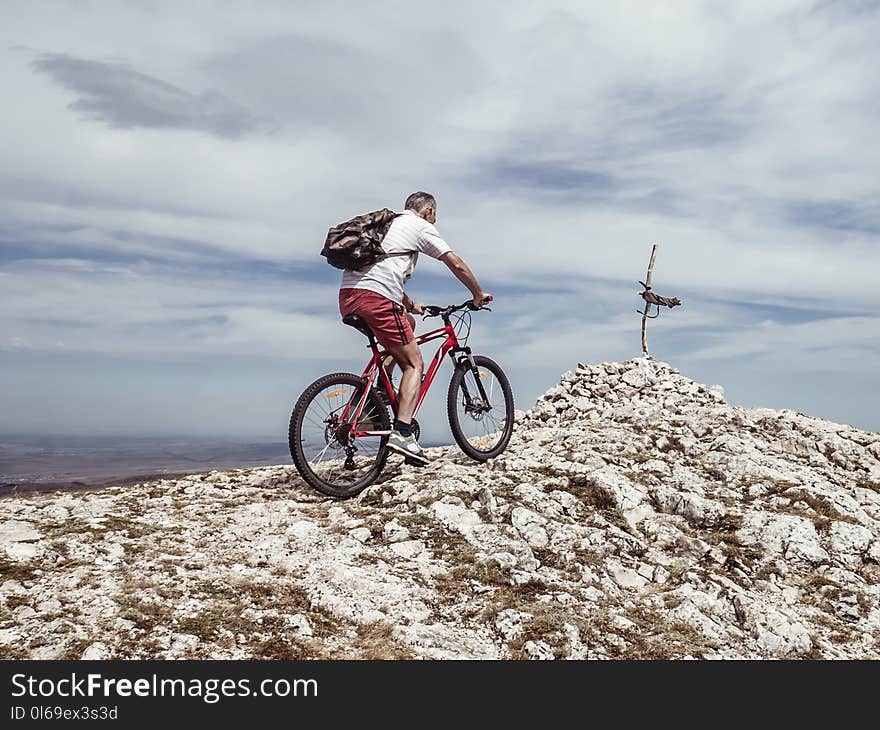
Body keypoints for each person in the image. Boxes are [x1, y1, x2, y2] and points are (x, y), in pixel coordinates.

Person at [338, 191, 492, 466]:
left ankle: (381, 393)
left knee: (406, 325)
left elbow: (381, 271)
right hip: (377, 299)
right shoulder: (419, 226)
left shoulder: (387, 226)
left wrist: (408, 303)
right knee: (414, 363)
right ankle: (402, 433)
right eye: (435, 216)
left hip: (350, 298)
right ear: (428, 212)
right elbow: (454, 262)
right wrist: (477, 293)